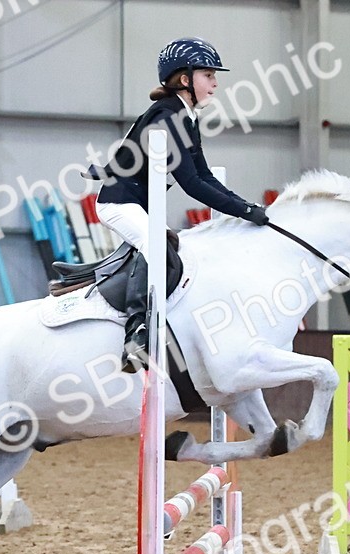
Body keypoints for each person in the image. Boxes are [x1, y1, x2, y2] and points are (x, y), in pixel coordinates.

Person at [94, 36, 270, 372]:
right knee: (157, 245)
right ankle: (136, 333)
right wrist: (245, 211)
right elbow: (192, 185)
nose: (216, 83)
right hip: (119, 202)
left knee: (176, 249)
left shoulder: (185, 116)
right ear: (185, 79)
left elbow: (204, 175)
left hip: (141, 203)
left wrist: (246, 206)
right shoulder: (166, 117)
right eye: (209, 75)